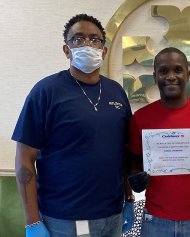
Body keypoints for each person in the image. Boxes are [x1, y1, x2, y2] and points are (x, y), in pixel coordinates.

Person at [12, 14, 135, 237]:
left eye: (95, 39)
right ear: (66, 50)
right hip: (64, 219)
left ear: (103, 50)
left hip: (112, 215)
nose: (87, 44)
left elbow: (123, 152)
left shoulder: (117, 92)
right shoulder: (46, 92)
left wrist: (129, 198)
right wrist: (32, 221)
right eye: (78, 39)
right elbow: (24, 156)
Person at [126, 47, 190, 237]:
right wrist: (135, 181)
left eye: (178, 70)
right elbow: (134, 166)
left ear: (188, 74)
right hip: (155, 220)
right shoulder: (140, 119)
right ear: (155, 75)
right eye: (164, 71)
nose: (171, 76)